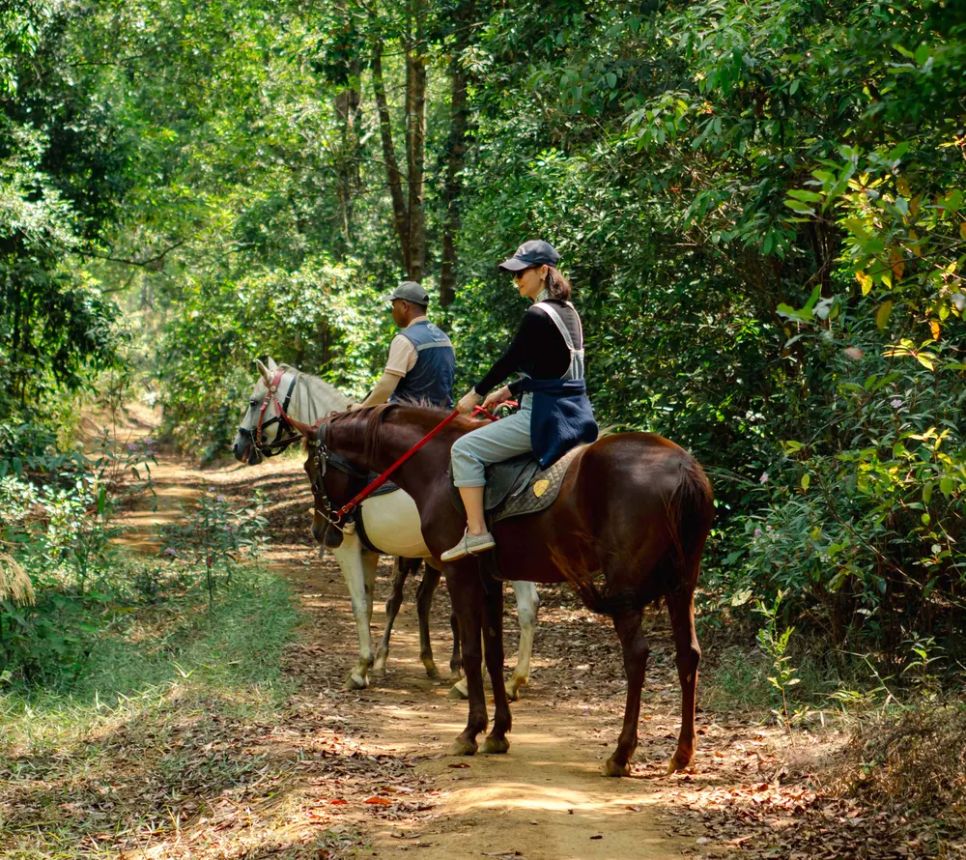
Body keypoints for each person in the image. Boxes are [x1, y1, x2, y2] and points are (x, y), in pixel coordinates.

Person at [440, 240, 597, 562]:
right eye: (513, 275)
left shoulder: (537, 314)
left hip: (543, 418)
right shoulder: (569, 313)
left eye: (521, 273)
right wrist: (510, 390)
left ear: (543, 271)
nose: (516, 281)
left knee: (463, 449)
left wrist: (476, 393)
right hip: (578, 415)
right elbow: (553, 369)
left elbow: (509, 358)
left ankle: (477, 531)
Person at [355, 281, 456, 409]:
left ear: (404, 306)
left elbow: (385, 387)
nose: (392, 312)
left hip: (410, 421)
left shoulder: (405, 340)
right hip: (443, 418)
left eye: (393, 306)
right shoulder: (444, 338)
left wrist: (361, 408)